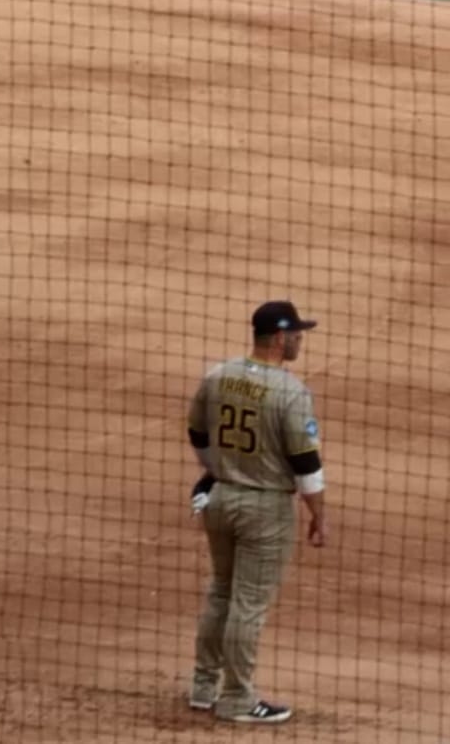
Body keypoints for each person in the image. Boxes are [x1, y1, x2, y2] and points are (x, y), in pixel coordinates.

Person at [185, 300, 330, 725]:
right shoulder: (290, 392)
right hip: (264, 509)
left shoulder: (219, 375)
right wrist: (319, 516)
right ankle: (237, 699)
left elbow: (196, 431)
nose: (300, 340)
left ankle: (203, 687)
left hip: (219, 499)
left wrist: (215, 470)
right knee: (248, 604)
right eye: (297, 334)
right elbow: (306, 464)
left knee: (221, 592)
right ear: (280, 338)